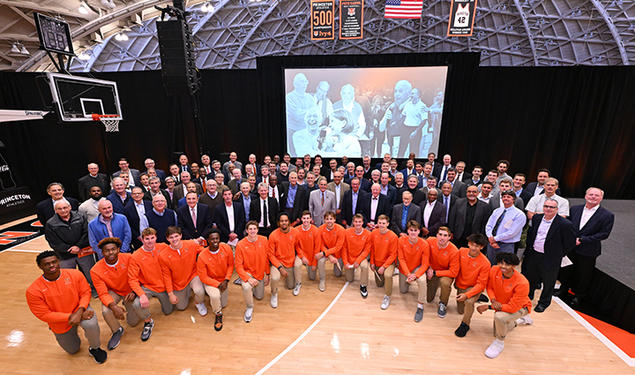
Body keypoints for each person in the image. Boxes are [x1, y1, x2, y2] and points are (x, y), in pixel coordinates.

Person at [26, 251, 107, 363]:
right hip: (60, 321)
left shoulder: (75, 274)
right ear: (40, 266)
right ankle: (70, 332)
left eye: (54, 262)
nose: (51, 265)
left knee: (91, 324)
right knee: (73, 350)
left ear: (58, 261)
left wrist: (79, 312)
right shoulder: (33, 290)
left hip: (81, 309)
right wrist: (70, 317)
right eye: (47, 264)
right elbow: (44, 314)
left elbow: (85, 292)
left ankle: (95, 348)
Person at [556, 187, 614, 308]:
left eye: (596, 195)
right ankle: (563, 289)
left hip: (589, 250)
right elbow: (569, 226)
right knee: (567, 269)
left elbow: (604, 234)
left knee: (584, 275)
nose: (593, 197)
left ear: (601, 198)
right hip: (571, 247)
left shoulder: (607, 215)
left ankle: (579, 296)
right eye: (591, 194)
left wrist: (582, 240)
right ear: (586, 195)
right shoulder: (574, 209)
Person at [523, 198, 576, 312]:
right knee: (531, 278)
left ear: (557, 209)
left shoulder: (565, 224)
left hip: (551, 258)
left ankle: (544, 302)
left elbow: (570, 243)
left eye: (551, 207)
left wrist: (559, 254)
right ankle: (528, 297)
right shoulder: (537, 218)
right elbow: (532, 234)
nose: (548, 209)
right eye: (546, 206)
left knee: (548, 282)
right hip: (535, 254)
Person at [476, 253, 532, 359]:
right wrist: (492, 300)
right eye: (501, 263)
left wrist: (488, 307)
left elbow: (512, 308)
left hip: (521, 307)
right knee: (499, 327)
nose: (503, 266)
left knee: (499, 318)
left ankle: (499, 343)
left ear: (514, 266)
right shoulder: (494, 269)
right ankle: (517, 322)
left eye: (507, 264)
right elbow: (490, 286)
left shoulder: (522, 283)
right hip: (502, 304)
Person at [90, 237, 142, 350]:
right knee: (106, 310)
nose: (110, 253)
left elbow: (140, 276)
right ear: (102, 252)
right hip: (114, 291)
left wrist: (134, 291)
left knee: (133, 323)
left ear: (118, 249)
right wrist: (114, 307)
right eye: (107, 250)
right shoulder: (95, 270)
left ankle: (129, 306)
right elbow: (103, 293)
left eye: (113, 249)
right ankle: (117, 330)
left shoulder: (129, 258)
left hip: (130, 290)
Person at [128, 228, 174, 342]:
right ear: (142, 240)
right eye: (147, 239)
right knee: (137, 303)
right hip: (147, 286)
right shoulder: (136, 256)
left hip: (163, 287)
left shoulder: (163, 247)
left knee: (169, 311)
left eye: (152, 238)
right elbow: (132, 279)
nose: (150, 241)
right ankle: (148, 322)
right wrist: (141, 294)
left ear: (156, 237)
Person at [44, 199, 95, 289]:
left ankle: (94, 289)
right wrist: (70, 249)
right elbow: (53, 242)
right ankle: (74, 291)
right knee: (68, 277)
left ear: (70, 207)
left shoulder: (81, 216)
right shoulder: (50, 223)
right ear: (55, 210)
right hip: (64, 255)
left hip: (83, 251)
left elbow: (86, 233)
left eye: (65, 207)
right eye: (60, 209)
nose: (63, 210)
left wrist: (78, 246)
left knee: (91, 273)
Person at [158, 226, 206, 314]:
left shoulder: (191, 244)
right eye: (171, 237)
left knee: (199, 291)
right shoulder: (163, 255)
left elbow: (205, 252)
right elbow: (166, 276)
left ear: (180, 236)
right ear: (167, 239)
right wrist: (170, 294)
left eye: (176, 236)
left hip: (193, 275)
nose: (174, 239)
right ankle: (187, 291)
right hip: (178, 283)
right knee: (181, 307)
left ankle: (198, 303)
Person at [453, 234, 491, 337]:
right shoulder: (461, 251)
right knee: (460, 310)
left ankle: (465, 324)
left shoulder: (485, 263)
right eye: (472, 245)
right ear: (468, 244)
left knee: (469, 302)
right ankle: (478, 297)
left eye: (477, 246)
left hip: (473, 287)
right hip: (460, 285)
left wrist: (467, 295)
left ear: (481, 247)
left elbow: (481, 284)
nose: (474, 248)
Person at [197, 230, 234, 331]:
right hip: (210, 281)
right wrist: (218, 284)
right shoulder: (202, 255)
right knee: (215, 296)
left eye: (217, 238)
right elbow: (203, 277)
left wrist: (226, 280)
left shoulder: (226, 248)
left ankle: (213, 299)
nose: (215, 241)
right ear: (208, 240)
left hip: (224, 280)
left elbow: (231, 265)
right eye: (212, 239)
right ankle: (218, 314)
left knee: (224, 304)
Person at [235, 221, 270, 323]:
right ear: (246, 231)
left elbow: (266, 258)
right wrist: (248, 278)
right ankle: (249, 307)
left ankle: (253, 286)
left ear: (257, 230)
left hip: (260, 272)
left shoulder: (264, 240)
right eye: (250, 229)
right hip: (248, 272)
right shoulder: (240, 245)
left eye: (254, 229)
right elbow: (238, 266)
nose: (252, 231)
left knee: (259, 297)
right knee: (246, 286)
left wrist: (267, 274)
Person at [397, 220, 430, 322]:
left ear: (419, 231)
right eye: (411, 230)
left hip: (417, 267)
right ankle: (408, 280)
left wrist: (415, 275)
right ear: (407, 231)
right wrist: (408, 274)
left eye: (415, 230)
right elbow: (401, 259)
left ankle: (420, 306)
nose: (413, 233)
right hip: (405, 268)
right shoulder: (401, 240)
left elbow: (425, 264)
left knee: (422, 280)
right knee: (403, 291)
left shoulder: (424, 244)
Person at [268, 213, 302, 303]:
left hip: (290, 262)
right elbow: (270, 255)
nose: (284, 223)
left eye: (286, 221)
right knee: (275, 278)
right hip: (278, 263)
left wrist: (301, 257)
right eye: (282, 221)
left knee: (290, 286)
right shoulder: (273, 235)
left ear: (289, 222)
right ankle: (274, 293)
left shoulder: (295, 232)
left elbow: (298, 247)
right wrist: (280, 267)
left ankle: (298, 283)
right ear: (279, 223)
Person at [485, 191, 526, 264]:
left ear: (514, 199)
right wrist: (490, 237)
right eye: (504, 197)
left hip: (506, 245)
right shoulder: (497, 211)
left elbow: (512, 232)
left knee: (504, 267)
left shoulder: (519, 215)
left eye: (508, 197)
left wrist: (495, 239)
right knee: (489, 265)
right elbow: (489, 225)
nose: (505, 198)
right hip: (491, 243)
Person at [369, 215, 398, 310]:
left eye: (384, 223)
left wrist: (384, 267)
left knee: (388, 275)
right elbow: (372, 249)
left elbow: (393, 255)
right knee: (379, 284)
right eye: (380, 223)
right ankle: (386, 276)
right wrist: (372, 262)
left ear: (388, 224)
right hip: (377, 261)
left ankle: (387, 296)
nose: (381, 225)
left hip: (388, 262)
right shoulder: (373, 233)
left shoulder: (393, 236)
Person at [315, 211, 345, 291]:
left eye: (331, 219)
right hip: (326, 252)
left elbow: (338, 247)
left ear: (334, 220)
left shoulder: (341, 230)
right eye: (327, 219)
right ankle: (322, 280)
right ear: (324, 220)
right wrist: (329, 255)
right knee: (320, 261)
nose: (329, 221)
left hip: (337, 253)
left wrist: (326, 253)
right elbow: (321, 245)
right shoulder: (320, 229)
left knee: (338, 274)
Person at [342, 214, 371, 298]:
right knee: (349, 279)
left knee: (365, 266)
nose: (358, 223)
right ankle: (351, 270)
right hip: (350, 257)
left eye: (360, 222)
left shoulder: (368, 234)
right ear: (353, 222)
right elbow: (344, 248)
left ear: (362, 223)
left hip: (361, 257)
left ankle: (363, 286)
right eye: (356, 222)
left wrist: (358, 261)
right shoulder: (347, 232)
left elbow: (366, 251)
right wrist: (345, 262)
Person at [286, 73, 314, 155]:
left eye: (305, 81)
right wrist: (309, 111)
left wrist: (302, 111)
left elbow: (315, 113)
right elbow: (296, 115)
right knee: (295, 156)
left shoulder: (310, 98)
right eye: (302, 82)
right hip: (293, 130)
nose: (305, 84)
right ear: (295, 84)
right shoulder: (289, 97)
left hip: (307, 131)